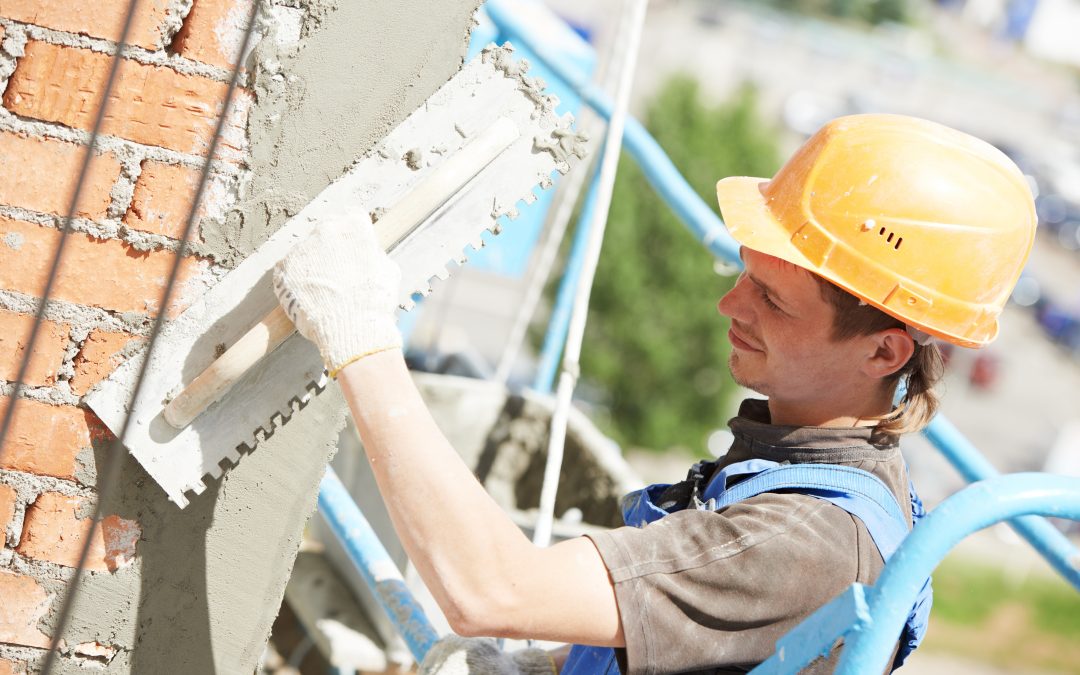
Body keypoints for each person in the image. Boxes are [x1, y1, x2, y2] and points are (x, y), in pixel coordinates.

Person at [273, 114, 1036, 673]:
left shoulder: (801, 542)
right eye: (743, 274)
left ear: (883, 349)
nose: (730, 306)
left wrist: (359, 332)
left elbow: (488, 588)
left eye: (772, 298)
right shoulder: (848, 479)